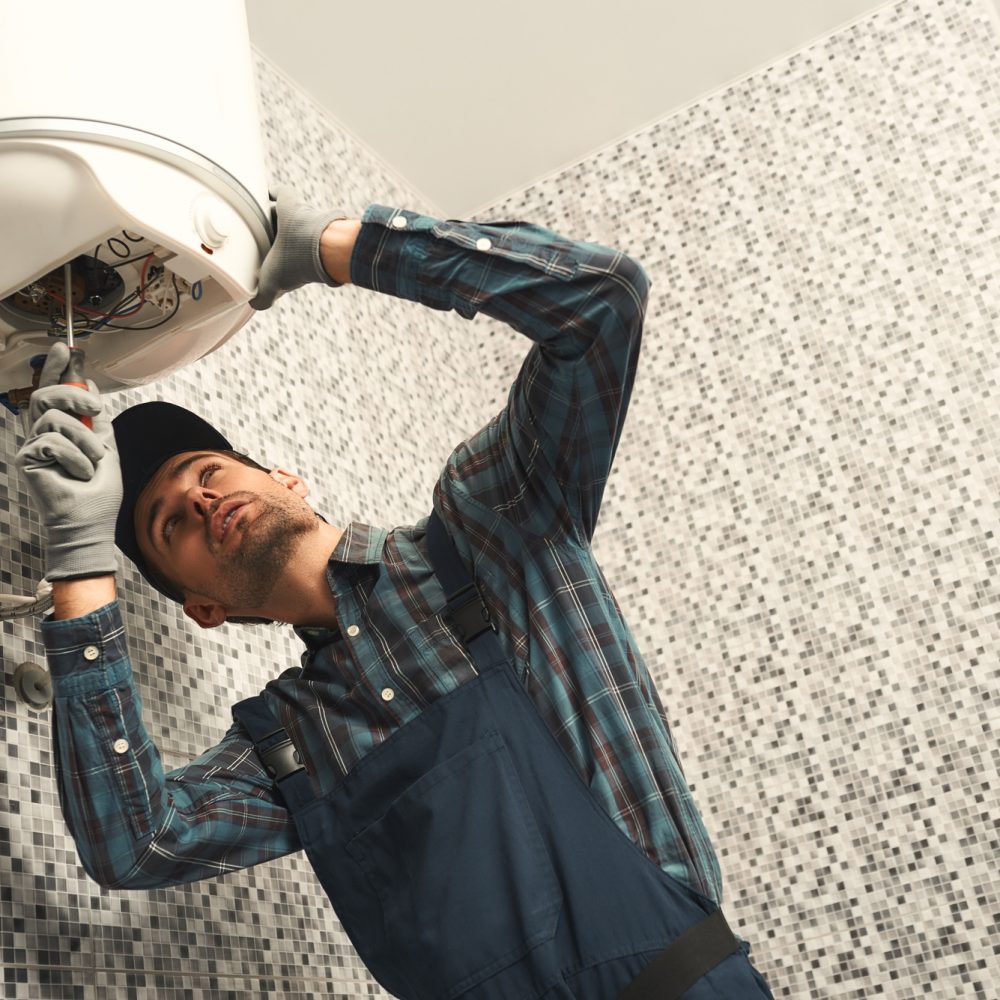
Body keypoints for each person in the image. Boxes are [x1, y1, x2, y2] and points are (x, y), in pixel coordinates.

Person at [15, 190, 776, 999]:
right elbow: (134, 842)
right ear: (205, 609)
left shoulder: (494, 527)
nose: (200, 501)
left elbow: (603, 303)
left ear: (286, 480)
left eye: (207, 471)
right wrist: (79, 556)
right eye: (171, 525)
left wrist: (341, 249)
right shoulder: (291, 741)